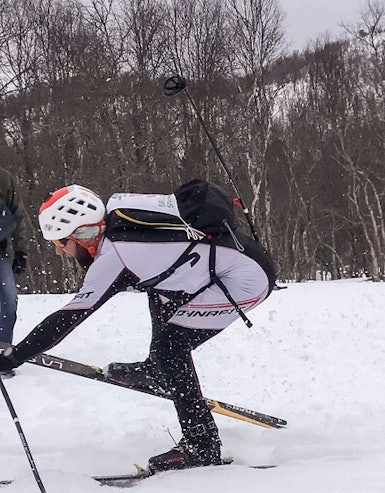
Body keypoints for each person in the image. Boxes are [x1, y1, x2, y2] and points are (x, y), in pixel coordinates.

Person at [0, 184, 276, 471]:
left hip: (245, 280)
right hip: (233, 262)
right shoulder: (118, 209)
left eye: (61, 242)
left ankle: (202, 445)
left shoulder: (115, 255)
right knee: (156, 290)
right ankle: (157, 370)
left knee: (172, 348)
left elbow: (68, 317)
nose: (60, 252)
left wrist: (16, 355)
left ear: (82, 233)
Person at [0, 166, 31, 378]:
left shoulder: (4, 178)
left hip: (1, 252)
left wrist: (21, 251)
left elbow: (18, 216)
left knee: (8, 302)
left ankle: (3, 353)